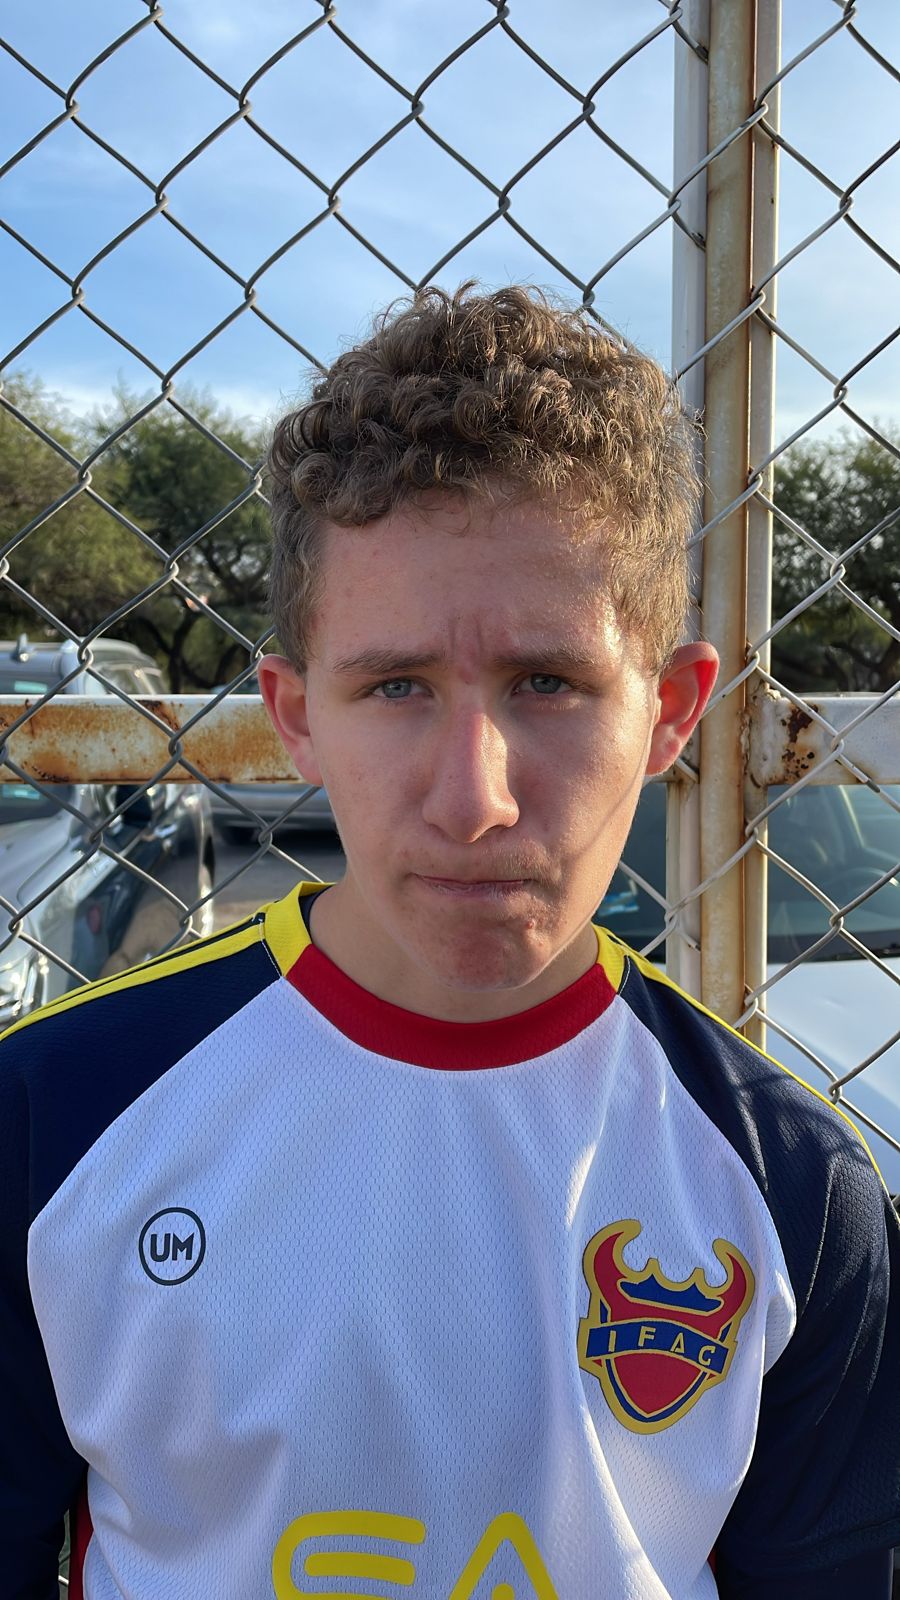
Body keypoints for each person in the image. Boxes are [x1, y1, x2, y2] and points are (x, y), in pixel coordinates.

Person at [1, 285, 897, 1600]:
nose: (474, 799)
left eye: (549, 682)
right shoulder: (51, 1121)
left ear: (670, 712)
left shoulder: (797, 1192)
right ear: (296, 717)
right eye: (397, 686)